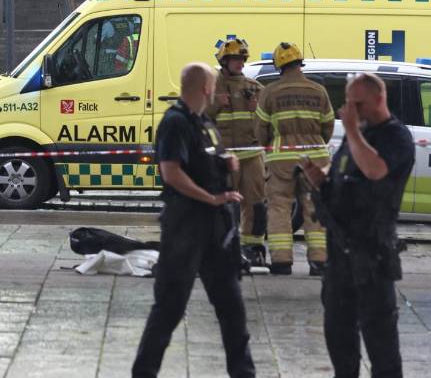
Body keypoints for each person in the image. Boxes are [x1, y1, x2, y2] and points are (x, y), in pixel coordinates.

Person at [132, 63, 254, 378]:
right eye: (213, 86)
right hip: (186, 225)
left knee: (232, 307)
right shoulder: (175, 122)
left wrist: (229, 165)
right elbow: (171, 173)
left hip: (216, 230)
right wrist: (211, 198)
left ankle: (243, 372)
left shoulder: (205, 124)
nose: (216, 92)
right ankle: (144, 372)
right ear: (205, 88)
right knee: (170, 307)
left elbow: (212, 163)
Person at [300, 72, 414, 378]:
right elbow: (341, 171)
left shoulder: (395, 136)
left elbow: (376, 170)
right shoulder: (356, 136)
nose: (350, 110)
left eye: (357, 103)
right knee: (338, 335)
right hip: (340, 253)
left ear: (379, 99)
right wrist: (321, 177)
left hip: (372, 254)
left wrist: (350, 129)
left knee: (381, 345)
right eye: (347, 104)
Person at [255, 41, 334, 275]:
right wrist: (316, 142)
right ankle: (319, 261)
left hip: (281, 157)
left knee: (279, 207)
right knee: (315, 206)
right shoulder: (319, 91)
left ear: (279, 65)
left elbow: (261, 129)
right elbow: (327, 126)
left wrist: (269, 145)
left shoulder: (270, 92)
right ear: (300, 63)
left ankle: (281, 261)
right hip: (315, 156)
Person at [207, 37, 268, 267]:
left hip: (251, 155)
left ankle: (252, 248)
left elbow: (268, 120)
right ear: (224, 61)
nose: (240, 63)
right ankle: (222, 246)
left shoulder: (254, 88)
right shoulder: (212, 86)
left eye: (242, 59)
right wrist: (215, 103)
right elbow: (200, 116)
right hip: (224, 157)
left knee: (255, 203)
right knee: (223, 203)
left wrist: (258, 108)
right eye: (235, 59)